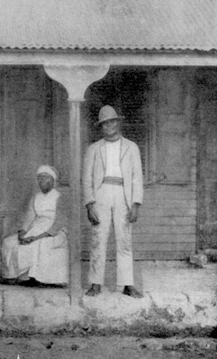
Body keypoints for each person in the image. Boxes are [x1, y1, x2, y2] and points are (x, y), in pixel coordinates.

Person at [82, 105, 144, 298]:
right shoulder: (94, 149)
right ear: (100, 127)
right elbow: (87, 178)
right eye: (104, 124)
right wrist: (90, 204)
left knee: (124, 241)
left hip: (123, 195)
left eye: (111, 122)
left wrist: (135, 204)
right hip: (101, 194)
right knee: (98, 239)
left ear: (118, 123)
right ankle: (95, 283)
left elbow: (136, 178)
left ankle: (127, 284)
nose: (108, 126)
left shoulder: (131, 147)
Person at [0, 165, 68, 286]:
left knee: (38, 244)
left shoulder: (59, 197)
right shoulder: (36, 197)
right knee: (9, 242)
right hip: (36, 227)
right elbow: (29, 217)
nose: (42, 181)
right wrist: (22, 232)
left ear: (53, 180)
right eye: (40, 178)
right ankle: (15, 276)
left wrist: (36, 237)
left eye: (46, 178)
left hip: (53, 231)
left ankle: (37, 278)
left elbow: (59, 222)